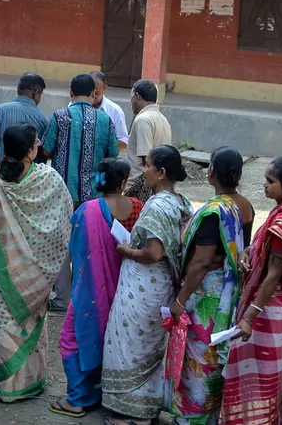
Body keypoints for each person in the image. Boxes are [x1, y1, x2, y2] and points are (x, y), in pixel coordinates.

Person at [0, 124, 73, 403]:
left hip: (3, 270)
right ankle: (29, 381)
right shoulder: (49, 180)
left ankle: (7, 384)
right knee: (30, 323)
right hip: (37, 274)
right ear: (30, 151)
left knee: (4, 322)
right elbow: (61, 224)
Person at [100, 144, 191, 425]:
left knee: (131, 343)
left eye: (149, 165)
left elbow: (154, 252)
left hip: (145, 286)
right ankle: (145, 408)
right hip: (161, 286)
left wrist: (128, 251)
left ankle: (132, 412)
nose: (145, 170)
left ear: (161, 172)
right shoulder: (180, 201)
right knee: (149, 345)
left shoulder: (157, 205)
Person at [222, 157, 282, 425]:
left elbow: (274, 274)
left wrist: (249, 317)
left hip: (270, 311)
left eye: (270, 181)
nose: (264, 185)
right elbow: (267, 252)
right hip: (275, 308)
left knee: (261, 380)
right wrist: (248, 252)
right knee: (264, 379)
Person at [51, 157, 144, 418]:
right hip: (125, 288)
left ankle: (78, 398)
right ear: (124, 182)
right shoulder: (138, 207)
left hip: (90, 291)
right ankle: (105, 393)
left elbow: (77, 252)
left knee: (73, 338)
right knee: (112, 341)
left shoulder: (87, 210)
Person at [167, 147, 252, 425]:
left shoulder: (213, 211)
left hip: (207, 296)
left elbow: (202, 261)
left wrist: (179, 300)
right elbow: (240, 250)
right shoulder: (245, 205)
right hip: (230, 293)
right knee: (214, 360)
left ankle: (193, 418)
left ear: (211, 172)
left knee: (200, 362)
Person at [46, 74, 120, 205]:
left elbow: (46, 151)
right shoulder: (105, 120)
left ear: (70, 93)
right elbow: (113, 154)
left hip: (62, 193)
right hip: (94, 195)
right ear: (93, 93)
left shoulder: (59, 116)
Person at [0, 72, 49, 160]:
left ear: (18, 89)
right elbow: (43, 154)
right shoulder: (43, 120)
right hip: (29, 173)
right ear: (36, 93)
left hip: (0, 171)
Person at [126, 78, 171, 200]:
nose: (131, 102)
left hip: (140, 188)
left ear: (137, 97)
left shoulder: (143, 120)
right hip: (157, 185)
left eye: (131, 97)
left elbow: (145, 159)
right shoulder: (163, 119)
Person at [91, 71, 129, 151]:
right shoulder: (76, 107)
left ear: (104, 88)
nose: (93, 97)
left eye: (97, 93)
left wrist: (106, 151)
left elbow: (123, 141)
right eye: (90, 93)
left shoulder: (115, 111)